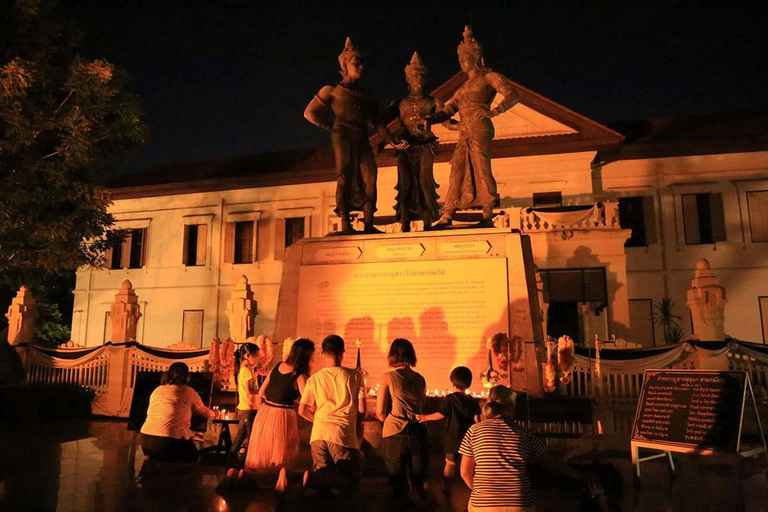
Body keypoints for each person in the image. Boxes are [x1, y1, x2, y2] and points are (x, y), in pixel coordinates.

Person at [304, 37, 405, 234]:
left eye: (361, 63)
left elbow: (376, 122)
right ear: (344, 64)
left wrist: (390, 139)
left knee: (370, 174)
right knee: (345, 174)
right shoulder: (332, 90)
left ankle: (368, 222)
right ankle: (345, 223)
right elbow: (309, 113)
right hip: (342, 135)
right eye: (355, 63)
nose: (360, 67)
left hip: (361, 136)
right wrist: (331, 127)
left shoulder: (367, 96)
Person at [426, 26, 520, 228]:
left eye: (464, 58)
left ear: (475, 57)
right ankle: (447, 215)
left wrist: (495, 111)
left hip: (479, 127)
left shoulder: (489, 77)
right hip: (465, 130)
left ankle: (487, 214)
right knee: (456, 170)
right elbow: (448, 110)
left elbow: (513, 95)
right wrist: (430, 119)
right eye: (459, 59)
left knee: (481, 168)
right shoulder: (462, 88)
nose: (461, 62)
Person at [459, 386, 597, 511]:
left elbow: (465, 473)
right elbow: (552, 463)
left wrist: (483, 493)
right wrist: (583, 476)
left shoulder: (474, 431)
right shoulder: (524, 433)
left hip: (483, 505)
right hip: (520, 504)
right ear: (511, 408)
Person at [391, 52, 454, 232]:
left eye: (421, 75)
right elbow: (380, 122)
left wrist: (466, 125)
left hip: (426, 145)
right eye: (414, 74)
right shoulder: (400, 103)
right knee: (406, 184)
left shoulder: (432, 101)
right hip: (405, 147)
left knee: (425, 181)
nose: (418, 78)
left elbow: (447, 121)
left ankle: (428, 221)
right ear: (407, 78)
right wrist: (391, 139)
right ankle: (405, 222)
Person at [245, 338, 315, 491]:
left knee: (263, 456)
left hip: (265, 413)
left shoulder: (277, 366)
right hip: (282, 416)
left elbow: (262, 393)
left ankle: (253, 483)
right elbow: (307, 401)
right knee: (280, 456)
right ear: (306, 356)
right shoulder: (300, 375)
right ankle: (281, 483)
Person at [298, 334, 366, 491]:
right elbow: (362, 409)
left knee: (323, 483)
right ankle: (315, 481)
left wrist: (319, 420)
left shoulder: (314, 379)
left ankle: (313, 480)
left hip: (318, 434)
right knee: (349, 482)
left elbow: (302, 410)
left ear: (322, 354)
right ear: (343, 352)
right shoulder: (355, 376)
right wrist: (355, 424)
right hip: (343, 435)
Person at [376, 338, 429, 504]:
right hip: (419, 432)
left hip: (395, 432)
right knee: (418, 479)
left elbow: (380, 412)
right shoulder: (421, 379)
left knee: (396, 482)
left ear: (392, 355)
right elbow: (421, 406)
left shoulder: (388, 377)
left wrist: (391, 422)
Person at [416, 366, 481, 494]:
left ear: (453, 381)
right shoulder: (473, 401)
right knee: (470, 465)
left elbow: (441, 414)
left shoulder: (449, 399)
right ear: (469, 382)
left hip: (452, 438)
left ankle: (447, 488)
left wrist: (425, 417)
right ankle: (473, 488)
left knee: (450, 463)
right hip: (468, 438)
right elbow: (477, 420)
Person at [140, 362, 218, 463]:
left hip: (145, 439)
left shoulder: (157, 390)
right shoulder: (188, 391)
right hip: (167, 441)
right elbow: (205, 412)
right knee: (194, 457)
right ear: (187, 376)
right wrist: (216, 413)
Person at [229, 341, 261, 460]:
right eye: (256, 356)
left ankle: (231, 460)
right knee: (251, 437)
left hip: (245, 408)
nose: (257, 359)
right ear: (247, 355)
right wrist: (262, 391)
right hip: (248, 408)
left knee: (241, 437)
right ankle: (249, 461)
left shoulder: (243, 370)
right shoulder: (246, 371)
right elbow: (249, 391)